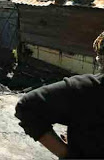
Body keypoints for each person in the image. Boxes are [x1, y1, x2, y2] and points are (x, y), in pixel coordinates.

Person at [15, 31, 104, 159]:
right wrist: (68, 155)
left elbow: (27, 107)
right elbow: (28, 107)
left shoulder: (84, 89)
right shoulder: (86, 90)